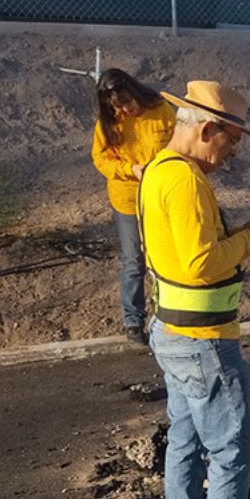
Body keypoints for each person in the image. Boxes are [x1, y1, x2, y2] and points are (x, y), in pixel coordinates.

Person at [137, 81, 250, 499]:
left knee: (185, 441)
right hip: (204, 342)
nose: (233, 152)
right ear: (207, 129)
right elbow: (200, 264)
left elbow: (184, 252)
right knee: (232, 449)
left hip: (172, 333)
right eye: (232, 140)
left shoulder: (157, 171)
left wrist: (235, 236)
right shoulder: (187, 182)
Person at [91, 68, 176, 346]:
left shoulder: (161, 108)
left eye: (128, 103)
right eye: (118, 107)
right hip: (127, 198)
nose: (126, 110)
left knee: (164, 257)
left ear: (135, 92)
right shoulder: (108, 123)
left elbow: (178, 146)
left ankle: (169, 316)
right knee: (134, 261)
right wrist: (130, 169)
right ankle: (133, 321)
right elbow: (101, 159)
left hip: (161, 195)